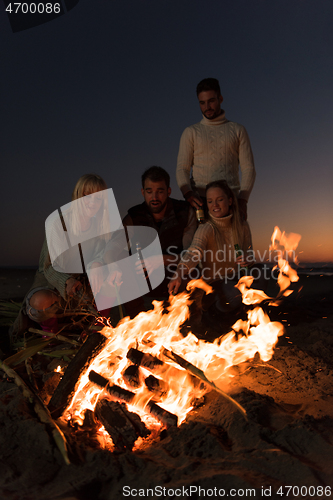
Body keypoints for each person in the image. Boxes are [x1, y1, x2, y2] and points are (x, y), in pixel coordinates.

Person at [11, 174, 119, 338]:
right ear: (77, 195)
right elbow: (47, 267)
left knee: (112, 279)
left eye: (97, 198)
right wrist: (67, 281)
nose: (92, 202)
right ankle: (50, 336)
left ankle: (95, 330)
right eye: (86, 196)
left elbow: (101, 253)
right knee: (41, 301)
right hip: (52, 283)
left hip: (79, 287)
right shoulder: (58, 224)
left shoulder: (100, 227)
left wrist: (97, 263)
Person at [168, 180, 266, 326]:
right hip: (214, 286)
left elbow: (249, 253)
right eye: (210, 201)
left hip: (237, 279)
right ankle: (220, 315)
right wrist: (178, 274)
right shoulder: (206, 228)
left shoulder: (242, 226)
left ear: (230, 200)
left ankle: (248, 317)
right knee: (232, 295)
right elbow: (193, 253)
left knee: (263, 272)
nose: (215, 205)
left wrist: (248, 259)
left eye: (220, 199)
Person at [104, 166, 197, 317]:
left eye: (160, 191)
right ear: (143, 192)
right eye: (149, 191)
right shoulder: (134, 216)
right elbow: (113, 245)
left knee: (190, 268)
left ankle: (190, 316)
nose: (154, 197)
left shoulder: (185, 213)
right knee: (121, 257)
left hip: (176, 279)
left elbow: (192, 255)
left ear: (168, 191)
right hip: (143, 282)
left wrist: (160, 260)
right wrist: (112, 263)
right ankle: (136, 319)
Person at [176, 78, 256, 221]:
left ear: (220, 98)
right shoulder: (191, 132)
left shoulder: (238, 130)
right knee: (199, 242)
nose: (207, 107)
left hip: (230, 202)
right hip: (200, 203)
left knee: (236, 244)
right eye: (202, 103)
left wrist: (243, 199)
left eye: (211, 101)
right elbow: (182, 168)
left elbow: (248, 169)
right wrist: (187, 193)